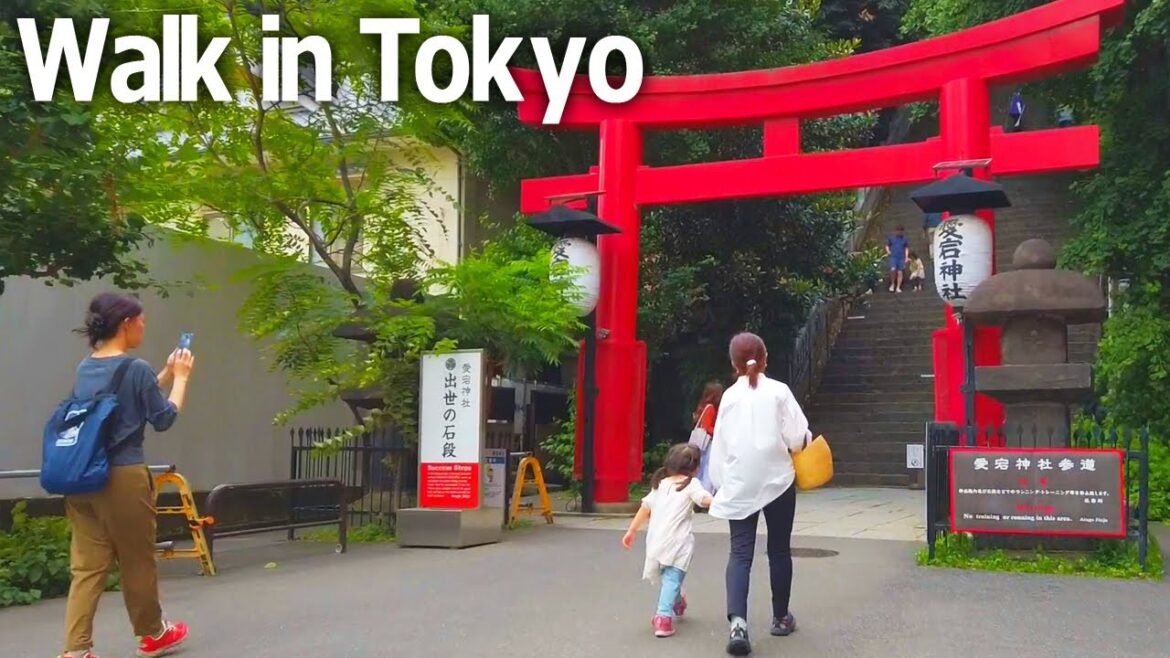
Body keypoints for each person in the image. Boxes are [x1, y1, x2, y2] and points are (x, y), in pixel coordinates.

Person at [59, 293, 194, 658]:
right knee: (136, 559)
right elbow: (162, 418)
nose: (144, 326)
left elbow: (129, 400)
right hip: (123, 478)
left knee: (87, 567)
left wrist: (162, 373)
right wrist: (180, 378)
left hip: (84, 476)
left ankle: (76, 650)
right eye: (142, 320)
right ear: (126, 324)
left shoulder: (86, 367)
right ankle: (152, 634)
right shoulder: (133, 368)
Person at [709, 332, 811, 657]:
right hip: (778, 480)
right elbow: (797, 437)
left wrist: (721, 483)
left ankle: (738, 625)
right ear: (765, 359)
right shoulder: (779, 391)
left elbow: (721, 448)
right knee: (779, 549)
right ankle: (781, 617)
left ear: (733, 364)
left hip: (740, 482)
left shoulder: (728, 398)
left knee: (740, 554)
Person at [621, 444, 713, 639]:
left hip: (657, 541)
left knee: (670, 576)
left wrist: (632, 530)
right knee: (672, 577)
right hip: (679, 543)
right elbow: (704, 500)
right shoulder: (691, 484)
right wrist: (719, 500)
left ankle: (678, 601)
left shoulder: (660, 485)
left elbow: (645, 508)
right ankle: (663, 617)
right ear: (695, 468)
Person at [692, 381, 723, 496]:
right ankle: (704, 493)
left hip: (702, 443)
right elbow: (707, 427)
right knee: (707, 467)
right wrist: (719, 433)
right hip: (708, 442)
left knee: (701, 467)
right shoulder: (710, 408)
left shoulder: (703, 406)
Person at [885, 225, 910, 293]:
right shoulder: (891, 238)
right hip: (894, 257)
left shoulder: (904, 239)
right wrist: (888, 251)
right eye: (898, 231)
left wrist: (906, 257)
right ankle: (892, 284)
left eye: (901, 231)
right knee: (893, 270)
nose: (899, 233)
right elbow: (887, 246)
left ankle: (898, 287)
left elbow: (906, 248)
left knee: (900, 272)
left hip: (901, 257)